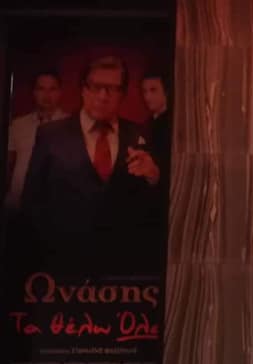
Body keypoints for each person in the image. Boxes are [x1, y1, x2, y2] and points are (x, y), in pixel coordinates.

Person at [20, 56, 161, 263]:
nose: (103, 96)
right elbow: (31, 202)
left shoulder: (141, 134)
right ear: (83, 89)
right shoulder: (50, 135)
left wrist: (154, 177)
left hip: (124, 263)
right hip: (62, 261)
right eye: (96, 87)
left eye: (112, 89)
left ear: (122, 94)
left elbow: (156, 210)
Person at [4, 70, 67, 210]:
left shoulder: (72, 126)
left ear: (60, 92)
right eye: (41, 89)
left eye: (52, 89)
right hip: (17, 204)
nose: (47, 95)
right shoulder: (18, 125)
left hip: (54, 206)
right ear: (34, 92)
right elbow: (7, 164)